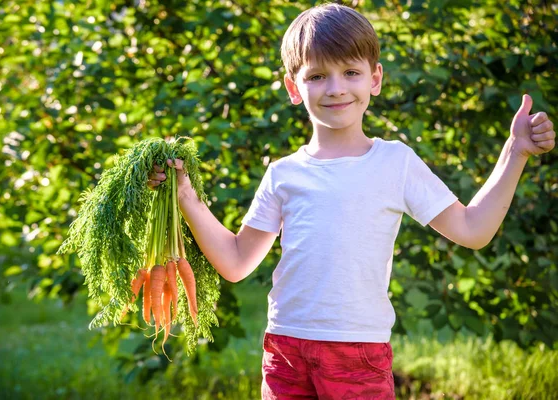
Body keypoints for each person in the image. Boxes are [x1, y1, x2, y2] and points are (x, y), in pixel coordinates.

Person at [147, 3, 555, 399]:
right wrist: (184, 194)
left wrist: (514, 152)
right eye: (318, 76)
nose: (336, 87)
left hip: (358, 353)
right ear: (293, 87)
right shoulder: (284, 173)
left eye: (351, 72)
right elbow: (236, 263)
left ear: (375, 79)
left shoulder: (395, 162)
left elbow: (473, 230)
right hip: (286, 349)